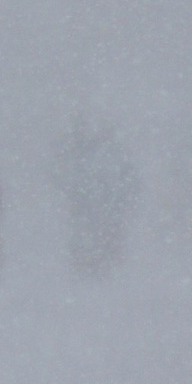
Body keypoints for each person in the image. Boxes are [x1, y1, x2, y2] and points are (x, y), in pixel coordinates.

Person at [50, 114, 140, 279]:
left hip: (103, 209)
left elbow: (130, 182)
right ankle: (88, 272)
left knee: (101, 239)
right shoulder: (85, 154)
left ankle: (104, 273)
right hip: (91, 208)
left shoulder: (111, 155)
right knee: (88, 238)